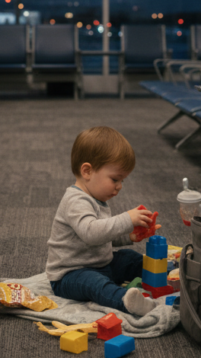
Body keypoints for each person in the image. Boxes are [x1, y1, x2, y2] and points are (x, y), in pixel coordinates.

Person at [45, 126, 162, 316]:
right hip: (70, 274)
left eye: (122, 180)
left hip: (100, 264)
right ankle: (126, 301)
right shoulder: (76, 200)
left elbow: (103, 236)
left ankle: (165, 275)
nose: (119, 186)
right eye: (115, 179)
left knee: (129, 258)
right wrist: (126, 219)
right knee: (95, 284)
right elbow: (91, 233)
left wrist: (129, 237)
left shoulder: (97, 198)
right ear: (87, 171)